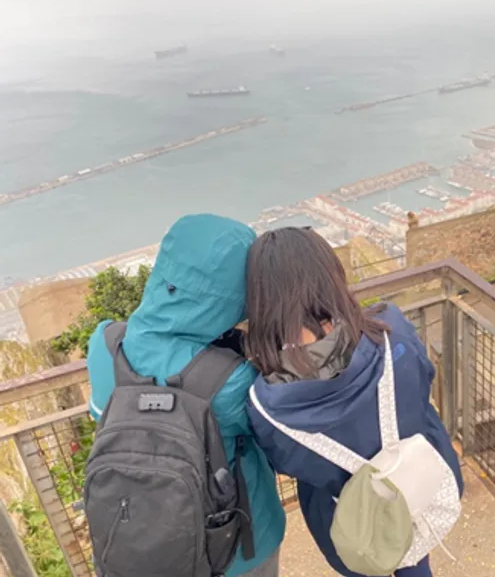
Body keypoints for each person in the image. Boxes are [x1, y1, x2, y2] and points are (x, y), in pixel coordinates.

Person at [245, 227, 464, 577]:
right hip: (417, 488)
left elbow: (288, 463)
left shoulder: (268, 405)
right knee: (414, 553)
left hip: (350, 524)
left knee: (373, 560)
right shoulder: (393, 332)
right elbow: (424, 379)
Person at [85, 214, 286, 576]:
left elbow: (100, 413)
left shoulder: (106, 345)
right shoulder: (231, 378)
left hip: (142, 533)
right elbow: (277, 445)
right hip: (239, 548)